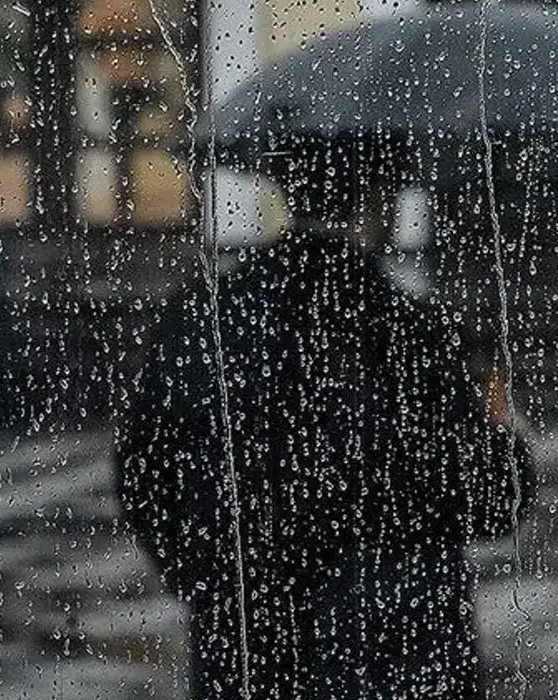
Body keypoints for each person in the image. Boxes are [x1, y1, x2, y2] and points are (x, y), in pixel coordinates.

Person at [115, 152, 536, 700]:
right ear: (378, 195)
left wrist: (211, 585)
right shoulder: (413, 332)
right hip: (403, 649)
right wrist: (501, 427)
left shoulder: (201, 320)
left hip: (249, 640)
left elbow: (145, 476)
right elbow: (491, 501)